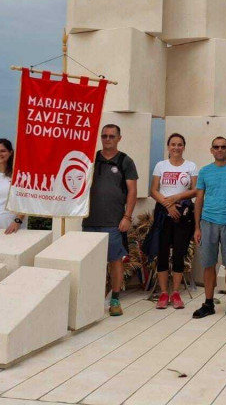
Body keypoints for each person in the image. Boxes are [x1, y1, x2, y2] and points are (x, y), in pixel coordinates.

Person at [83, 124, 138, 317]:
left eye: (111, 136)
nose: (107, 139)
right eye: (104, 136)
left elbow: (132, 191)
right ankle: (92, 299)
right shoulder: (90, 159)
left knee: (115, 261)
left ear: (119, 138)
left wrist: (127, 217)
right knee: (91, 262)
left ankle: (115, 298)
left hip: (114, 221)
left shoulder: (125, 161)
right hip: (89, 221)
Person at [193, 137, 226, 320]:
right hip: (207, 222)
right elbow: (199, 200)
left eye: (223, 147)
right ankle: (208, 302)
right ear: (211, 150)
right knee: (208, 264)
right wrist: (197, 227)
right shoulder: (204, 172)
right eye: (216, 147)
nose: (220, 150)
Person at [149, 133, 198, 310]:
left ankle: (176, 293)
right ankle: (163, 293)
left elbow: (195, 191)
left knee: (179, 253)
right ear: (168, 147)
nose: (176, 147)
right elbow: (153, 190)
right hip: (163, 213)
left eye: (179, 144)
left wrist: (176, 198)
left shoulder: (191, 166)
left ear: (183, 147)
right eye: (173, 144)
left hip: (183, 214)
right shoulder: (160, 165)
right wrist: (167, 205)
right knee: (162, 253)